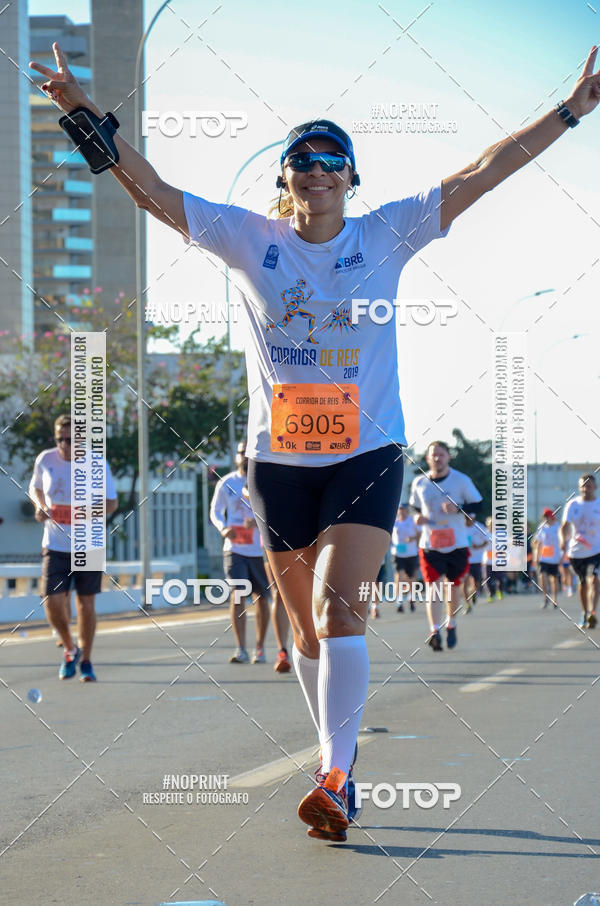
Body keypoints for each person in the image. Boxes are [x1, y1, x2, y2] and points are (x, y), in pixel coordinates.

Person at [32, 39, 600, 840]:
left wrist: (572, 110)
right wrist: (85, 117)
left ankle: (336, 775)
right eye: (304, 158)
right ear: (287, 180)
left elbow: (484, 169)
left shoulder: (389, 232)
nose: (318, 168)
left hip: (367, 455)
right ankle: (335, 760)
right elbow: (152, 189)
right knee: (301, 629)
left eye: (334, 158)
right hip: (279, 463)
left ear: (350, 179)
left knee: (341, 610)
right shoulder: (248, 238)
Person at [28, 414, 117, 681]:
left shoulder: (97, 464)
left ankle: (87, 661)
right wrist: (40, 506)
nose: (64, 445)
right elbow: (36, 488)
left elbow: (111, 503)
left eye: (70, 439)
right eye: (60, 439)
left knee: (86, 603)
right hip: (55, 544)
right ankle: (70, 647)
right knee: (51, 600)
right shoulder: (46, 459)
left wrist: (87, 511)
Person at [409, 442, 483, 651]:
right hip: (430, 544)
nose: (438, 458)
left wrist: (458, 507)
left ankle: (451, 623)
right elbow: (416, 508)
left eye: (441, 454)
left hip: (457, 543)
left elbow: (478, 504)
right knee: (434, 586)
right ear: (427, 458)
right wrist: (418, 518)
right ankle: (434, 630)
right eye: (434, 455)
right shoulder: (419, 483)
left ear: (448, 457)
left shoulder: (461, 480)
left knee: (452, 587)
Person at [209, 442, 271, 664]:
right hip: (234, 549)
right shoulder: (227, 482)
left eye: (247, 452)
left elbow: (274, 510)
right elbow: (215, 511)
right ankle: (240, 648)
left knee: (262, 599)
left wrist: (257, 522)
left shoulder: (263, 480)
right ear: (235, 457)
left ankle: (260, 648)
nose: (244, 456)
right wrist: (224, 528)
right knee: (238, 594)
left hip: (259, 550)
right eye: (240, 452)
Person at [560, 475, 600, 629]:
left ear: (595, 487)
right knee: (583, 583)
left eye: (589, 486)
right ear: (579, 488)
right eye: (583, 486)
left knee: (594, 579)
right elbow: (564, 526)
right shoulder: (573, 505)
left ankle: (592, 612)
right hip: (576, 552)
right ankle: (584, 612)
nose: (586, 489)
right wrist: (562, 540)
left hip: (596, 550)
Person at [391, 503, 420, 613]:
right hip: (398, 553)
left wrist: (412, 539)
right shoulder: (395, 522)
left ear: (407, 511)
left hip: (411, 553)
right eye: (400, 510)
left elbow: (419, 533)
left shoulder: (412, 521)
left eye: (403, 510)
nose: (401, 511)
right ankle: (399, 601)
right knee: (399, 576)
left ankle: (411, 599)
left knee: (411, 578)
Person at [533, 508, 561, 609]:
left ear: (551, 517)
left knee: (554, 579)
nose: (545, 519)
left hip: (555, 557)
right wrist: (536, 556)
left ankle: (554, 599)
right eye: (544, 517)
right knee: (542, 576)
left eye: (546, 516)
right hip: (543, 557)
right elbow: (538, 542)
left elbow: (563, 541)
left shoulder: (558, 527)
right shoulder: (542, 527)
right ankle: (545, 597)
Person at [463, 520, 489, 613]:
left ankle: (474, 592)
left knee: (476, 583)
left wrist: (478, 546)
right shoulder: (459, 525)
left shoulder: (479, 527)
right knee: (464, 583)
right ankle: (467, 604)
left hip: (477, 559)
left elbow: (487, 540)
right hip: (464, 560)